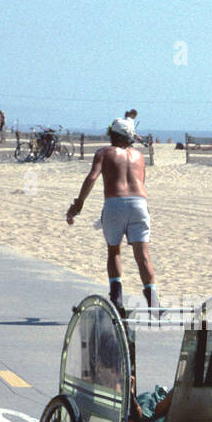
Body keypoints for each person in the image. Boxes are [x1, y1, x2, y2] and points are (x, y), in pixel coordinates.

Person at [65, 116, 157, 309]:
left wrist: (78, 204)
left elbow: (92, 177)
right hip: (140, 204)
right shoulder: (139, 156)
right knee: (143, 256)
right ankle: (153, 298)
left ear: (113, 135)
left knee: (114, 251)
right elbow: (141, 182)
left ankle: (116, 297)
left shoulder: (104, 153)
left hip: (115, 203)